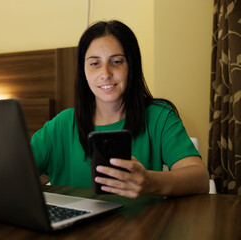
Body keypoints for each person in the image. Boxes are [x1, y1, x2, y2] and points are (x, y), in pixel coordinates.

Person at [31, 20, 209, 198]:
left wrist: (150, 182)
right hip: (76, 225)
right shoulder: (61, 125)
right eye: (94, 64)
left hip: (144, 225)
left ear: (131, 66)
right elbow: (15, 174)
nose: (106, 74)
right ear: (83, 71)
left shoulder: (159, 116)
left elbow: (200, 179)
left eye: (116, 61)